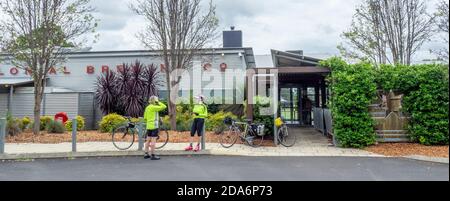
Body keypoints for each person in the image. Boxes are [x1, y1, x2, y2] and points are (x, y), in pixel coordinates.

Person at [143, 96, 167, 160]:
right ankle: (153, 155)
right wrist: (158, 102)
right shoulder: (153, 107)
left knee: (148, 140)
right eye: (156, 100)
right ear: (154, 101)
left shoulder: (147, 107)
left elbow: (145, 117)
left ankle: (146, 154)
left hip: (148, 126)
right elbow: (164, 106)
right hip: (154, 126)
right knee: (153, 141)